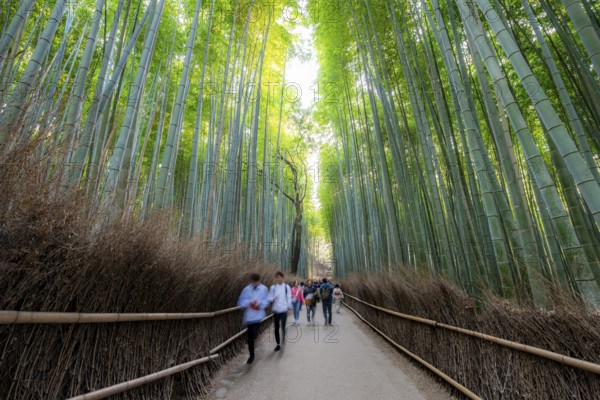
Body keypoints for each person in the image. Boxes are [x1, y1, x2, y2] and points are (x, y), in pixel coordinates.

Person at [237, 273, 270, 364]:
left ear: (259, 280)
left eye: (256, 281)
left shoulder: (264, 289)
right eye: (253, 281)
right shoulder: (246, 290)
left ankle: (252, 350)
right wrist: (249, 303)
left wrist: (259, 303)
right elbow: (240, 302)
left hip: (258, 316)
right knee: (250, 337)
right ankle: (251, 354)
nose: (255, 283)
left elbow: (266, 301)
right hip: (249, 317)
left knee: (254, 334)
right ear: (251, 281)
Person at [269, 271, 292, 351]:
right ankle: (278, 344)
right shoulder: (273, 288)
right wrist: (273, 298)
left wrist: (289, 308)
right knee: (276, 327)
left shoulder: (286, 287)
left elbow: (289, 298)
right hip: (276, 310)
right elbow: (270, 298)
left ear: (283, 278)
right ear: (275, 278)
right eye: (277, 277)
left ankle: (283, 337)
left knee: (283, 326)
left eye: (280, 277)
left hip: (283, 310)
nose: (278, 279)